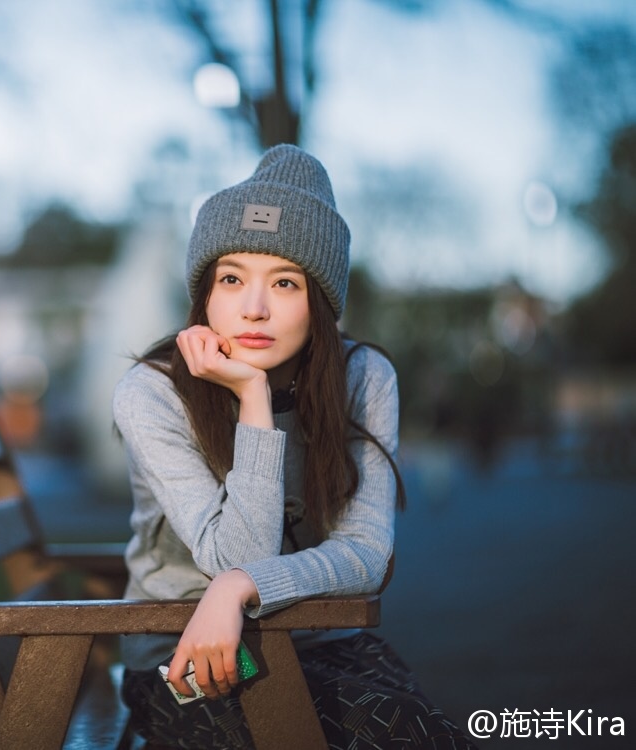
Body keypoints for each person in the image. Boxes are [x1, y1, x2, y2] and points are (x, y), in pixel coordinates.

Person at [112, 144, 475, 749]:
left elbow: (366, 556)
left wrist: (238, 588)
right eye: (232, 279)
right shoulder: (153, 393)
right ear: (205, 294)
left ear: (321, 304)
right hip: (188, 659)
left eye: (285, 282)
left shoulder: (363, 378)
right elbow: (234, 555)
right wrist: (254, 400)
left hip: (323, 644)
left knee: (419, 736)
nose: (253, 309)